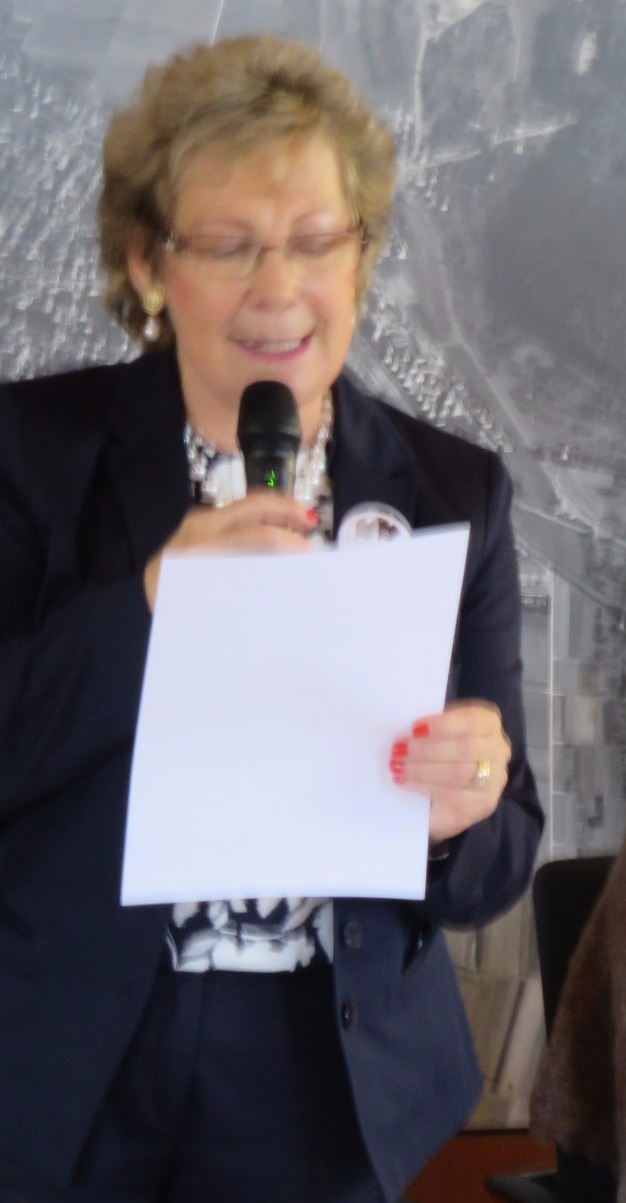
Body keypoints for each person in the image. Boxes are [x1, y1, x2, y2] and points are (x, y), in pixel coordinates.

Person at [0, 33, 543, 1203]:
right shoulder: (29, 455)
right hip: (73, 1059)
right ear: (148, 261)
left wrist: (456, 815)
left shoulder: (452, 491)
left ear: (361, 256)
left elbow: (499, 857)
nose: (277, 288)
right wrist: (152, 605)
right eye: (229, 244)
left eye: (313, 241)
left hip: (323, 1076)